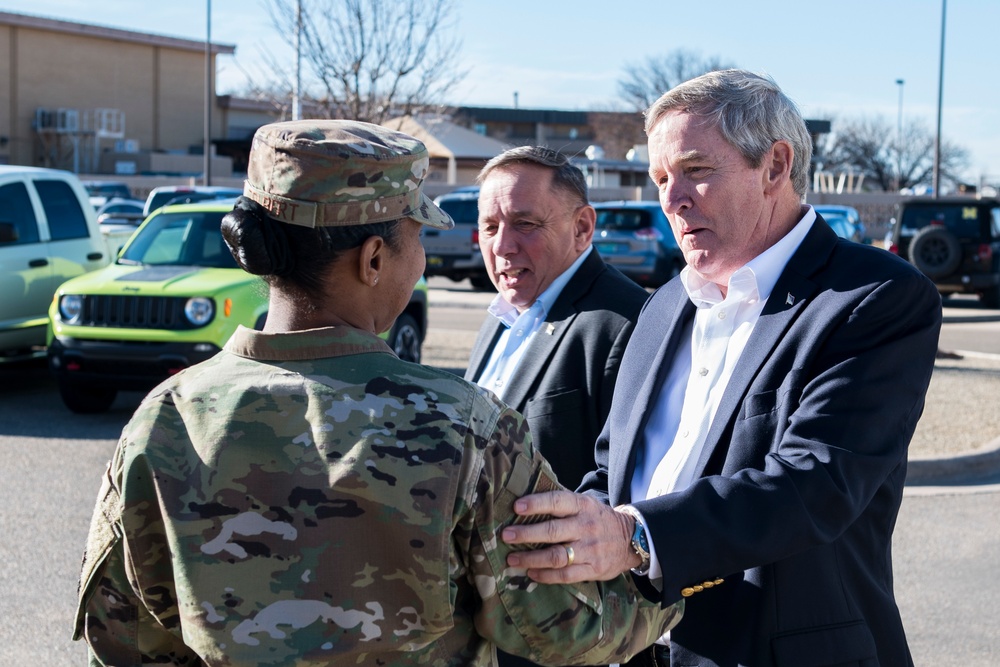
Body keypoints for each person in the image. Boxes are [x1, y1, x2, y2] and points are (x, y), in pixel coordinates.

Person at [72, 120, 682, 666]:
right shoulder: (464, 426)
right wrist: (673, 590)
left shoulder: (164, 418)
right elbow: (564, 627)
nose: (421, 261)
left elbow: (122, 635)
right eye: (416, 238)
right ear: (372, 259)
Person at [500, 70, 942, 666]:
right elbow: (614, 471)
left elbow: (817, 482)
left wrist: (634, 537)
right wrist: (567, 533)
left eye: (696, 171)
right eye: (660, 178)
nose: (672, 199)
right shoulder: (662, 306)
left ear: (775, 167)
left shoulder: (873, 296)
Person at [466, 146, 649, 491]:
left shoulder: (626, 324)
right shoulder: (502, 314)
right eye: (490, 227)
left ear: (582, 227)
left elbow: (625, 485)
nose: (502, 245)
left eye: (525, 224)